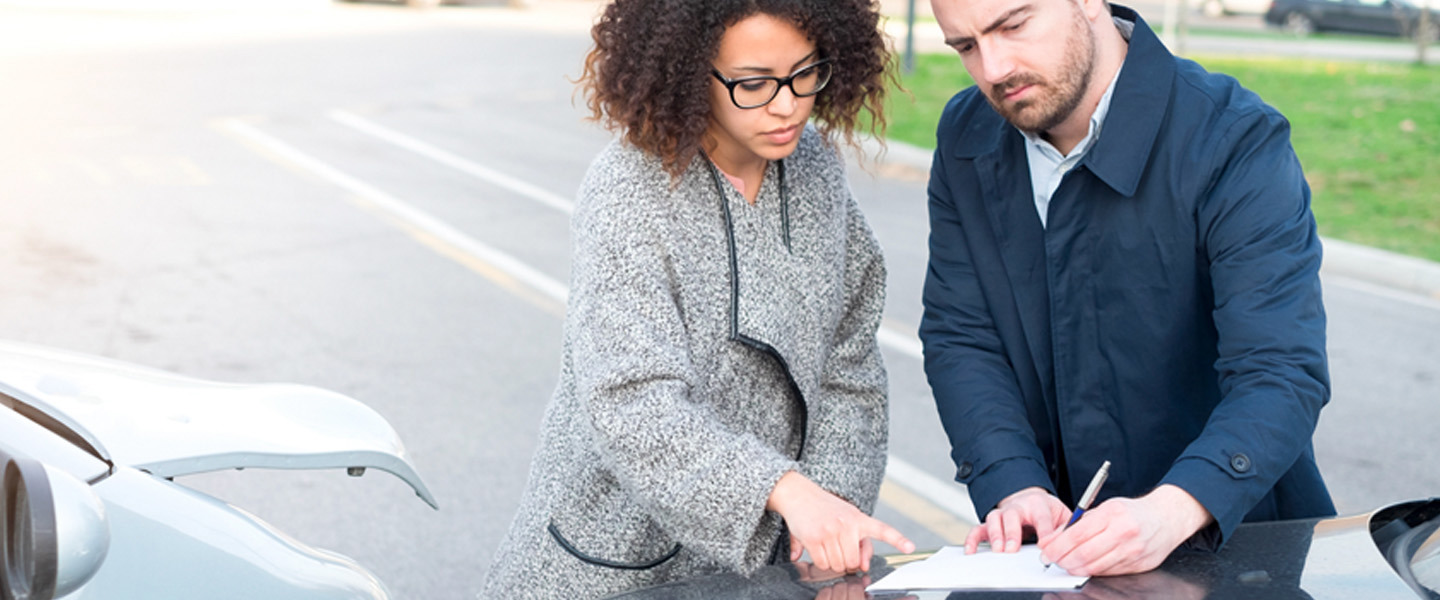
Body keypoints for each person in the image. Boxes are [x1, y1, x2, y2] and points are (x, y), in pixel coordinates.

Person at [482, 0, 915, 596]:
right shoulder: (628, 191)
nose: (788, 104)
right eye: (753, 84)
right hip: (612, 560)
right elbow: (632, 401)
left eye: (806, 72)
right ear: (689, 71)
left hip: (773, 564)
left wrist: (830, 506)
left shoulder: (815, 167)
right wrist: (785, 490)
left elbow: (850, 356)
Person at [921, 0, 1336, 578]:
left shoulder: (1233, 137)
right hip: (1059, 566)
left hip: (1240, 557)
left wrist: (1175, 508)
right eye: (964, 46)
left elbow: (1281, 369)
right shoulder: (966, 134)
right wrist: (1012, 482)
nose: (993, 69)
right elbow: (962, 336)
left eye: (1012, 26)